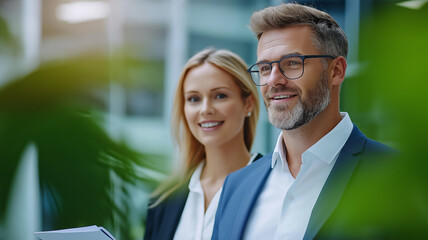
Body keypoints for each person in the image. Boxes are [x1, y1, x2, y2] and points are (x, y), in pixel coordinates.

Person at [212, 3, 394, 240]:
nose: (274, 80)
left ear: (336, 71)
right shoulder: (235, 186)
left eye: (292, 63)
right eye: (265, 68)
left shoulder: (395, 177)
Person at [144, 48, 261, 240]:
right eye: (194, 99)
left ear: (248, 103)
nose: (205, 109)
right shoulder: (162, 201)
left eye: (220, 96)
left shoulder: (274, 185)